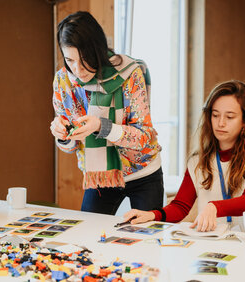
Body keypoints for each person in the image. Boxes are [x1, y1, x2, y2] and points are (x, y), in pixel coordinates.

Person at [124, 80, 245, 235]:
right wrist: (152, 215)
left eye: (229, 117)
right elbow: (180, 206)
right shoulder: (198, 160)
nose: (220, 123)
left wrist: (214, 207)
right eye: (215, 115)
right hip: (219, 242)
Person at [50, 11, 163, 215]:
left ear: (98, 50)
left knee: (146, 239)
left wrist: (103, 127)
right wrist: (63, 135)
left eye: (84, 59)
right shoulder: (64, 81)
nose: (78, 69)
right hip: (100, 176)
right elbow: (71, 147)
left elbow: (144, 137)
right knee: (91, 238)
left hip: (142, 171)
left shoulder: (129, 73)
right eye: (70, 60)